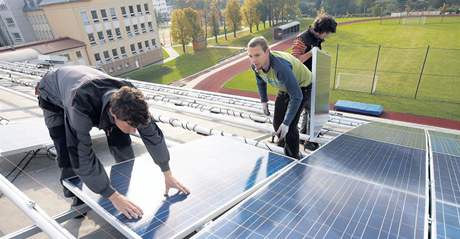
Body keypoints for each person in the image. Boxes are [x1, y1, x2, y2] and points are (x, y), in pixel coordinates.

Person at [35, 65, 189, 219]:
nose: (135, 130)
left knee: (121, 141)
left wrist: (167, 173)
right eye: (131, 125)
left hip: (88, 86)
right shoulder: (80, 105)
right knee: (67, 149)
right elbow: (81, 156)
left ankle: (123, 183)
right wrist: (112, 196)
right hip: (54, 94)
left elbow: (153, 136)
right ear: (113, 114)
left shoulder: (131, 99)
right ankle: (76, 195)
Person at [247, 36, 312, 159]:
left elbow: (297, 96)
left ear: (267, 52)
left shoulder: (280, 67)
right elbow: (261, 81)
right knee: (277, 123)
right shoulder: (256, 65)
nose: (253, 60)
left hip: (302, 87)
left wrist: (287, 123)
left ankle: (294, 156)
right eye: (250, 56)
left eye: (257, 55)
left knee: (291, 125)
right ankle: (283, 145)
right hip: (284, 87)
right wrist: (264, 101)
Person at [291, 14, 337, 150]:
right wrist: (311, 53)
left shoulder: (315, 40)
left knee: (309, 110)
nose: (327, 36)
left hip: (310, 81)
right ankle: (309, 140)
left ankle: (304, 136)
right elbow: (294, 61)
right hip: (302, 82)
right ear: (323, 30)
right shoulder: (302, 39)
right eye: (328, 33)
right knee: (310, 110)